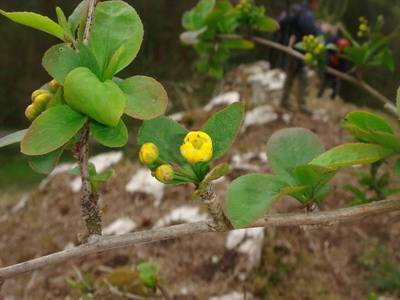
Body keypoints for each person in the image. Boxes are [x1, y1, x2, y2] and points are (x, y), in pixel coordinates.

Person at [278, 0, 322, 111]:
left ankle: (285, 101)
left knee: (291, 76)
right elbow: (311, 32)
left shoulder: (299, 10)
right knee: (300, 76)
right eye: (318, 3)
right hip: (298, 51)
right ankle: (298, 104)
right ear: (313, 2)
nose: (318, 5)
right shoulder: (306, 14)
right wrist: (320, 30)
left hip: (294, 49)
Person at [318, 34, 350, 100]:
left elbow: (345, 64)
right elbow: (326, 49)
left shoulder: (345, 54)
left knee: (336, 83)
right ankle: (320, 95)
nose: (340, 49)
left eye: (343, 48)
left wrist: (341, 74)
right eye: (340, 46)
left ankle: (333, 97)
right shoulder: (332, 44)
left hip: (338, 69)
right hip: (329, 66)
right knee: (324, 81)